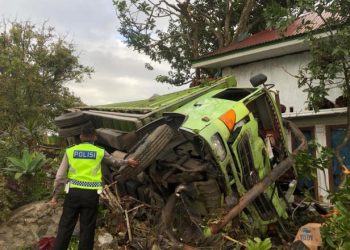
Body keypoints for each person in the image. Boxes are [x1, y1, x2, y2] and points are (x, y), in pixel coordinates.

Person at [50, 125, 138, 250]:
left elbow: (59, 176)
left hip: (73, 193)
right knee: (87, 229)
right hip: (90, 195)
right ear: (95, 138)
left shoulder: (70, 151)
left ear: (81, 137)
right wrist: (127, 162)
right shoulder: (99, 152)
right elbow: (115, 162)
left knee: (65, 227)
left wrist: (55, 196)